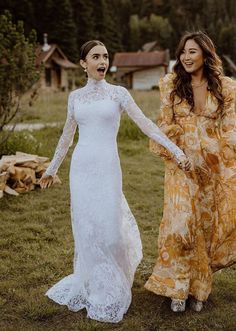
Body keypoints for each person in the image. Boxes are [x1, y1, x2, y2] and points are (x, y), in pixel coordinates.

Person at [39, 40, 190, 323]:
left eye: (105, 56)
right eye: (96, 56)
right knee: (87, 231)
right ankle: (96, 285)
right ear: (83, 63)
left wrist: (176, 150)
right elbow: (66, 137)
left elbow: (146, 124)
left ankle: (115, 284)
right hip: (81, 169)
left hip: (108, 169)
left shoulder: (119, 94)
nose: (102, 61)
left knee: (110, 232)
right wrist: (51, 168)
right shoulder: (75, 97)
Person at [144, 31, 236, 313]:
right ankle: (176, 289)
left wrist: (221, 158)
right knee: (180, 226)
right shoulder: (171, 85)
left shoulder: (226, 87)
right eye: (183, 51)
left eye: (192, 51)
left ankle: (199, 289)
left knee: (204, 231)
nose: (186, 56)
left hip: (211, 170)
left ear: (206, 54)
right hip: (180, 167)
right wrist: (176, 153)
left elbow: (231, 129)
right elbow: (164, 125)